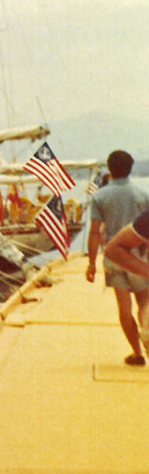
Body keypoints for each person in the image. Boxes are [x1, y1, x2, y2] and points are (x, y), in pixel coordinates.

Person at [86, 150, 149, 366]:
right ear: (131, 168)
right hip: (139, 256)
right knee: (144, 303)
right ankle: (147, 333)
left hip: (114, 257)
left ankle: (137, 353)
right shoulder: (143, 194)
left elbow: (95, 232)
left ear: (109, 169)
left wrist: (91, 263)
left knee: (124, 309)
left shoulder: (100, 196)